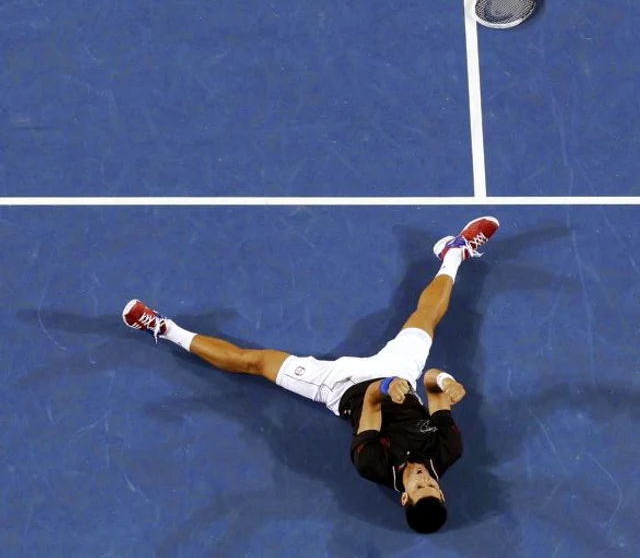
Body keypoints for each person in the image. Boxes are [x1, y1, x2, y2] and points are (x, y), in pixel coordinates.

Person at [122, 216, 499, 533]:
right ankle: (454, 253)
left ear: (404, 496)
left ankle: (163, 327)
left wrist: (385, 387)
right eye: (431, 483)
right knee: (426, 320)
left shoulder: (373, 466)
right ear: (441, 489)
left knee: (254, 362)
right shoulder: (448, 452)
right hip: (402, 375)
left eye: (418, 485)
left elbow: (369, 401)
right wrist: (445, 383)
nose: (423, 477)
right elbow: (431, 383)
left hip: (341, 386)